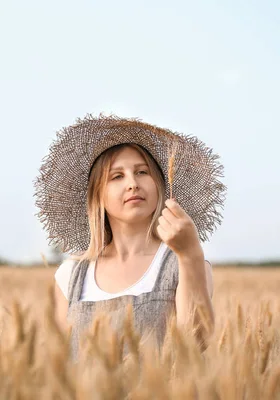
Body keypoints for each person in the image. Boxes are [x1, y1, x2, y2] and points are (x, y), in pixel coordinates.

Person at [34, 114, 226, 356]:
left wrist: (189, 253)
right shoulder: (71, 274)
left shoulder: (185, 264)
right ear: (97, 197)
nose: (133, 183)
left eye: (142, 172)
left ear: (159, 186)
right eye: (117, 176)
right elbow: (57, 362)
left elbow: (195, 343)